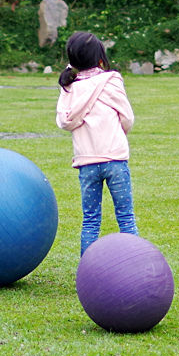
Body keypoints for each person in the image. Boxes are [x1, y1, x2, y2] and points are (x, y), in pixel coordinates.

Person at [55, 31, 138, 255]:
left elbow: (64, 121)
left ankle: (87, 273)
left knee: (90, 221)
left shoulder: (69, 86)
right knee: (126, 217)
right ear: (100, 57)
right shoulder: (112, 80)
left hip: (86, 162)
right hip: (115, 160)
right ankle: (135, 266)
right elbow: (127, 118)